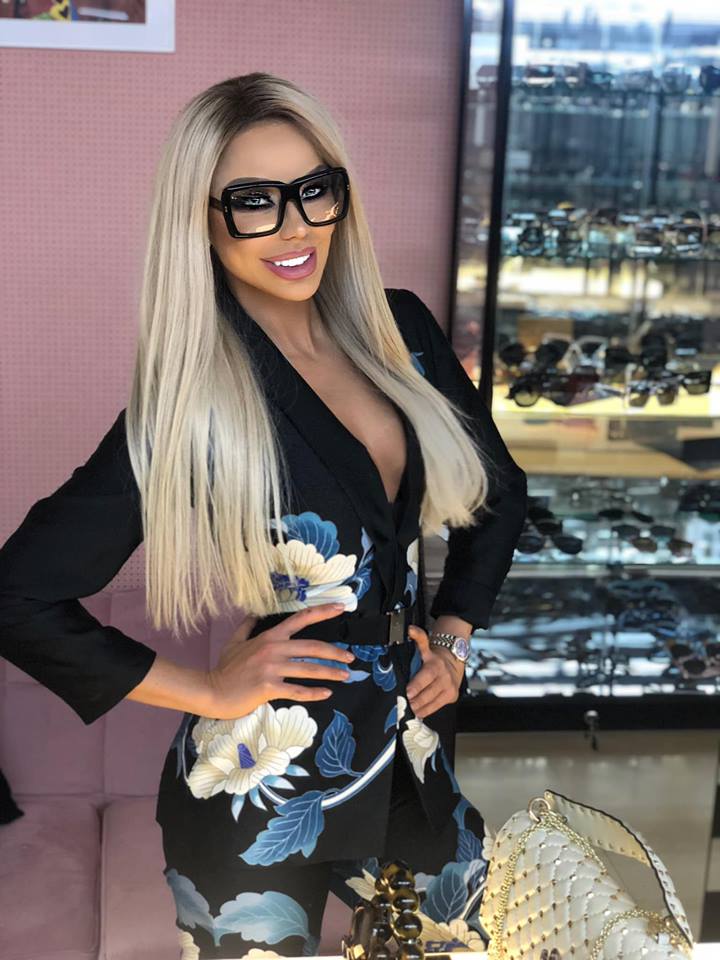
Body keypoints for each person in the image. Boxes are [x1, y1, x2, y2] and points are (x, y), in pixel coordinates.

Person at [0, 72, 528, 959]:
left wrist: (454, 633)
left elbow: (497, 492)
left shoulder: (400, 331)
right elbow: (17, 597)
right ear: (200, 221)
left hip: (412, 754)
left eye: (314, 190)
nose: (295, 227)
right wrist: (207, 690)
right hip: (259, 781)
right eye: (253, 202)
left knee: (482, 940)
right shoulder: (192, 403)